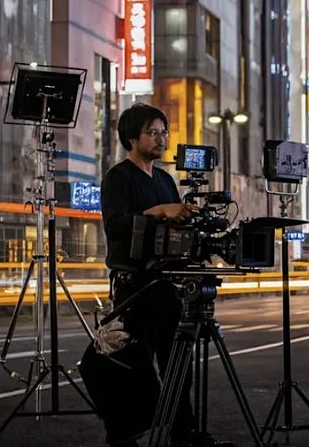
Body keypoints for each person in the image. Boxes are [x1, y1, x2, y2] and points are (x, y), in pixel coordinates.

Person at [98, 103, 200, 446]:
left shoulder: (165, 179)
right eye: (152, 132)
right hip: (133, 289)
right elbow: (114, 226)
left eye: (163, 132)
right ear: (131, 137)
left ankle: (182, 435)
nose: (161, 138)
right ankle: (124, 438)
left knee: (178, 368)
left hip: (166, 287)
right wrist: (158, 211)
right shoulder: (118, 177)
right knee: (135, 371)